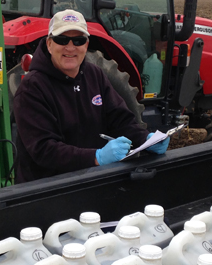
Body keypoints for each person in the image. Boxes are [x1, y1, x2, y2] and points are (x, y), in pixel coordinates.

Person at [13, 9, 169, 183]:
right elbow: (44, 150)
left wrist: (145, 139)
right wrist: (97, 157)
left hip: (90, 180)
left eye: (78, 40)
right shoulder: (32, 88)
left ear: (86, 45)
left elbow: (120, 119)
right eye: (62, 40)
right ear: (49, 44)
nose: (70, 47)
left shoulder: (95, 75)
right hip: (47, 189)